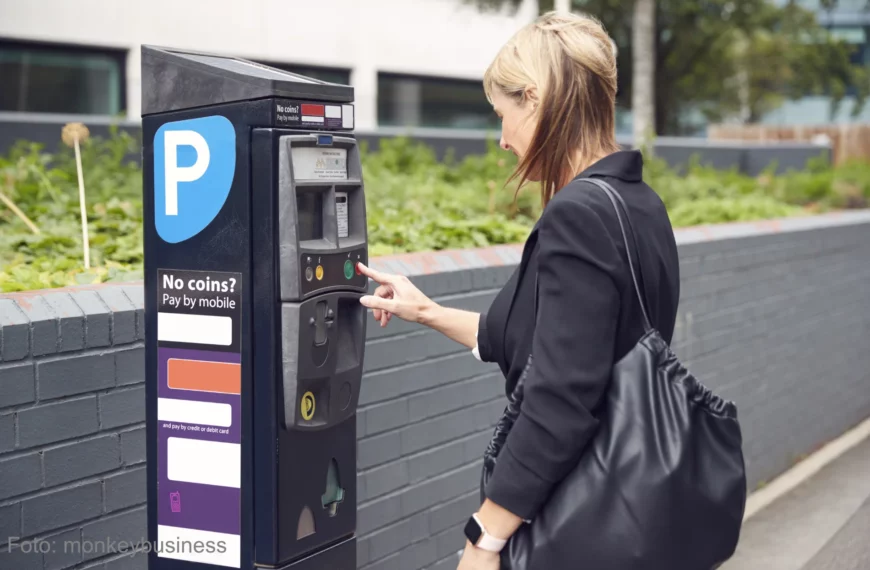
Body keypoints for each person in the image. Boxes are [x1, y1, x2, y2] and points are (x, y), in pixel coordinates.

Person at [356, 10, 681, 570]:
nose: (503, 140)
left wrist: (485, 538)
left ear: (535, 98)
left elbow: (560, 397)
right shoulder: (639, 204)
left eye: (503, 115)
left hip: (573, 518)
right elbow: (542, 342)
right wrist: (426, 310)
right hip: (629, 506)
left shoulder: (578, 214)